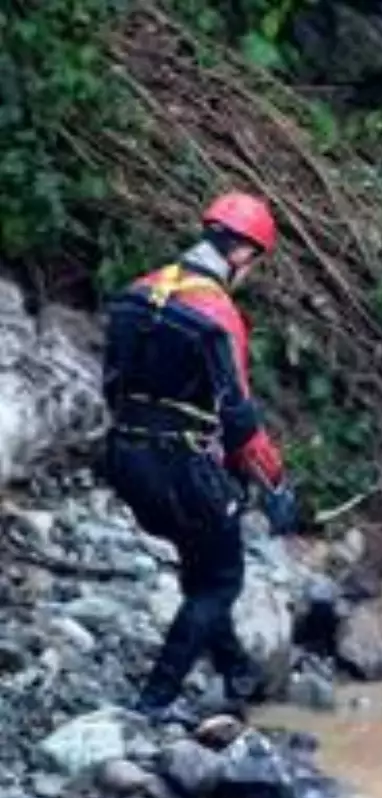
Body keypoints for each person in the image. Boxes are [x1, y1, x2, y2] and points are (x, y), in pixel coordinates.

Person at [101, 191, 300, 718]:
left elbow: (113, 386)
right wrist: (275, 483)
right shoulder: (216, 314)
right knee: (222, 578)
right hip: (180, 467)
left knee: (203, 564)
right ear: (242, 256)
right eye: (254, 265)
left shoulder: (135, 294)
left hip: (124, 458)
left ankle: (237, 672)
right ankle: (153, 701)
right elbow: (238, 418)